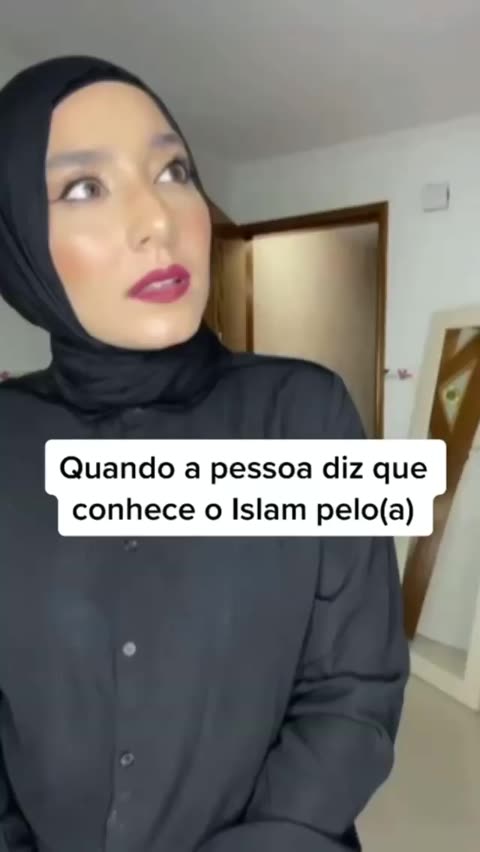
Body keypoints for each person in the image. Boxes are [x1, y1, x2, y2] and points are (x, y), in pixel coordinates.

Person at [0, 56, 409, 852]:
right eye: (83, 187)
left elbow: (355, 693)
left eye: (174, 171)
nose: (158, 219)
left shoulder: (304, 413)